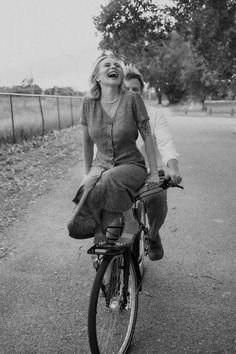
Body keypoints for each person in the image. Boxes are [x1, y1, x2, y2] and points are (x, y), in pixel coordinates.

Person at [67, 54, 160, 241]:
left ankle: (130, 222)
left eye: (117, 65)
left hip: (131, 165)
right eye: (107, 65)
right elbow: (87, 141)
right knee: (88, 188)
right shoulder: (88, 103)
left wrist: (154, 172)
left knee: (108, 179)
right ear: (97, 77)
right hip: (100, 164)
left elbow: (148, 137)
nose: (114, 67)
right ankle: (99, 228)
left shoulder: (132, 99)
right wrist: (87, 173)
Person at [124, 69, 182, 260]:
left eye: (135, 89)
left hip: (150, 171)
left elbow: (166, 143)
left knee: (157, 196)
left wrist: (173, 168)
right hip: (120, 172)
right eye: (126, 89)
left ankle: (153, 235)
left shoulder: (154, 115)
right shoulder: (112, 112)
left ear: (142, 91)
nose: (131, 93)